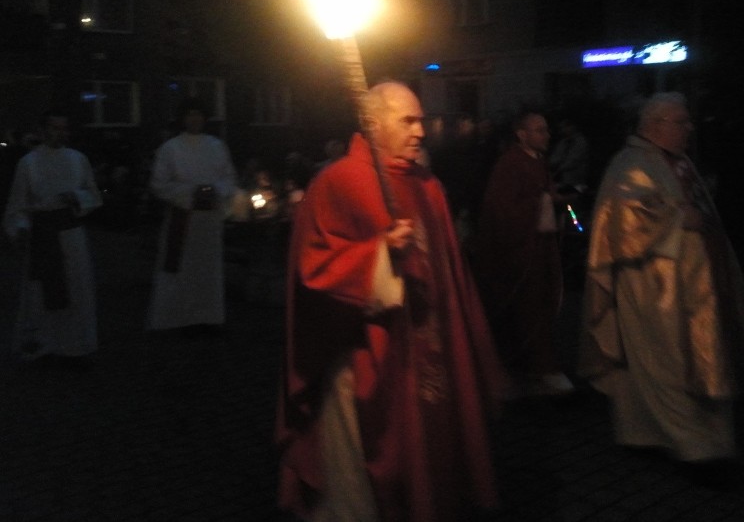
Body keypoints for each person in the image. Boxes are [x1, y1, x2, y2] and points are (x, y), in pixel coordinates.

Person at [276, 81, 502, 522]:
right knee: (359, 459)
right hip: (364, 349)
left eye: (420, 120)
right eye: (408, 121)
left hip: (426, 345)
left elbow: (448, 270)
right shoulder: (338, 181)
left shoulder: (426, 184)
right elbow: (314, 271)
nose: (420, 131)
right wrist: (380, 255)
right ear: (373, 124)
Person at [579, 92, 744, 484]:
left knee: (691, 356)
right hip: (654, 289)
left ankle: (644, 433)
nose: (689, 128)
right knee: (667, 361)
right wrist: (679, 219)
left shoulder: (677, 161)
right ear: (655, 125)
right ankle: (696, 446)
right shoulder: (629, 164)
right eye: (681, 122)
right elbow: (622, 220)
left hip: (696, 286)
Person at [475, 111, 575, 398]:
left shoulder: (538, 161)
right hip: (520, 251)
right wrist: (544, 202)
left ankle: (540, 364)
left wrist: (557, 200)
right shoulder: (510, 163)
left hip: (539, 246)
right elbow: (501, 209)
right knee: (527, 307)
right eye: (539, 130)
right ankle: (535, 367)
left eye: (546, 130)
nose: (547, 135)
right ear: (522, 134)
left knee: (543, 305)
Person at [3, 110, 102, 364]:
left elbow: (93, 194)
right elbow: (17, 205)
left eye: (63, 128)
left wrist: (77, 198)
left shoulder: (78, 159)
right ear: (43, 130)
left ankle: (74, 345)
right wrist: (21, 227)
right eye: (54, 128)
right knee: (41, 292)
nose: (60, 133)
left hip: (71, 234)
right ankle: (45, 343)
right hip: (43, 236)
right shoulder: (28, 163)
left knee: (75, 287)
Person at [146, 98, 237, 333]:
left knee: (206, 270)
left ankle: (207, 317)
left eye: (198, 114)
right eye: (190, 114)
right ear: (183, 118)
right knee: (180, 268)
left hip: (208, 222)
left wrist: (214, 191)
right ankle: (176, 318)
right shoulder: (170, 148)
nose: (194, 119)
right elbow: (159, 183)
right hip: (182, 219)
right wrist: (191, 193)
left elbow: (229, 178)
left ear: (204, 118)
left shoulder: (217, 146)